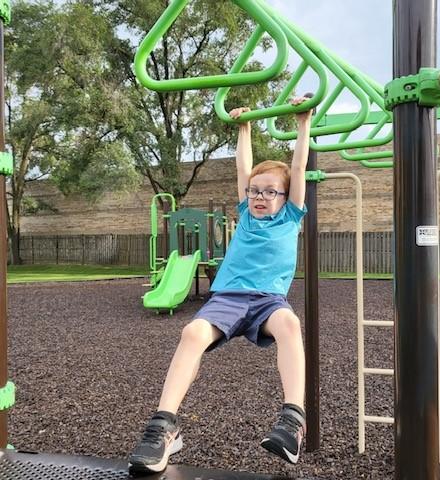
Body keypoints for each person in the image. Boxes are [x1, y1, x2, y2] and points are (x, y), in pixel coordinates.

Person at [128, 97, 313, 475]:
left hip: (268, 302)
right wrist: (243, 129)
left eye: (269, 191)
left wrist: (303, 121)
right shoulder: (246, 214)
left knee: (290, 326)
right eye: (254, 191)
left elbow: (298, 165)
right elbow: (243, 168)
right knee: (193, 332)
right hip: (228, 298)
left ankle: (293, 421)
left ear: (286, 196)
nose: (260, 196)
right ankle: (164, 426)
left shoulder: (290, 216)